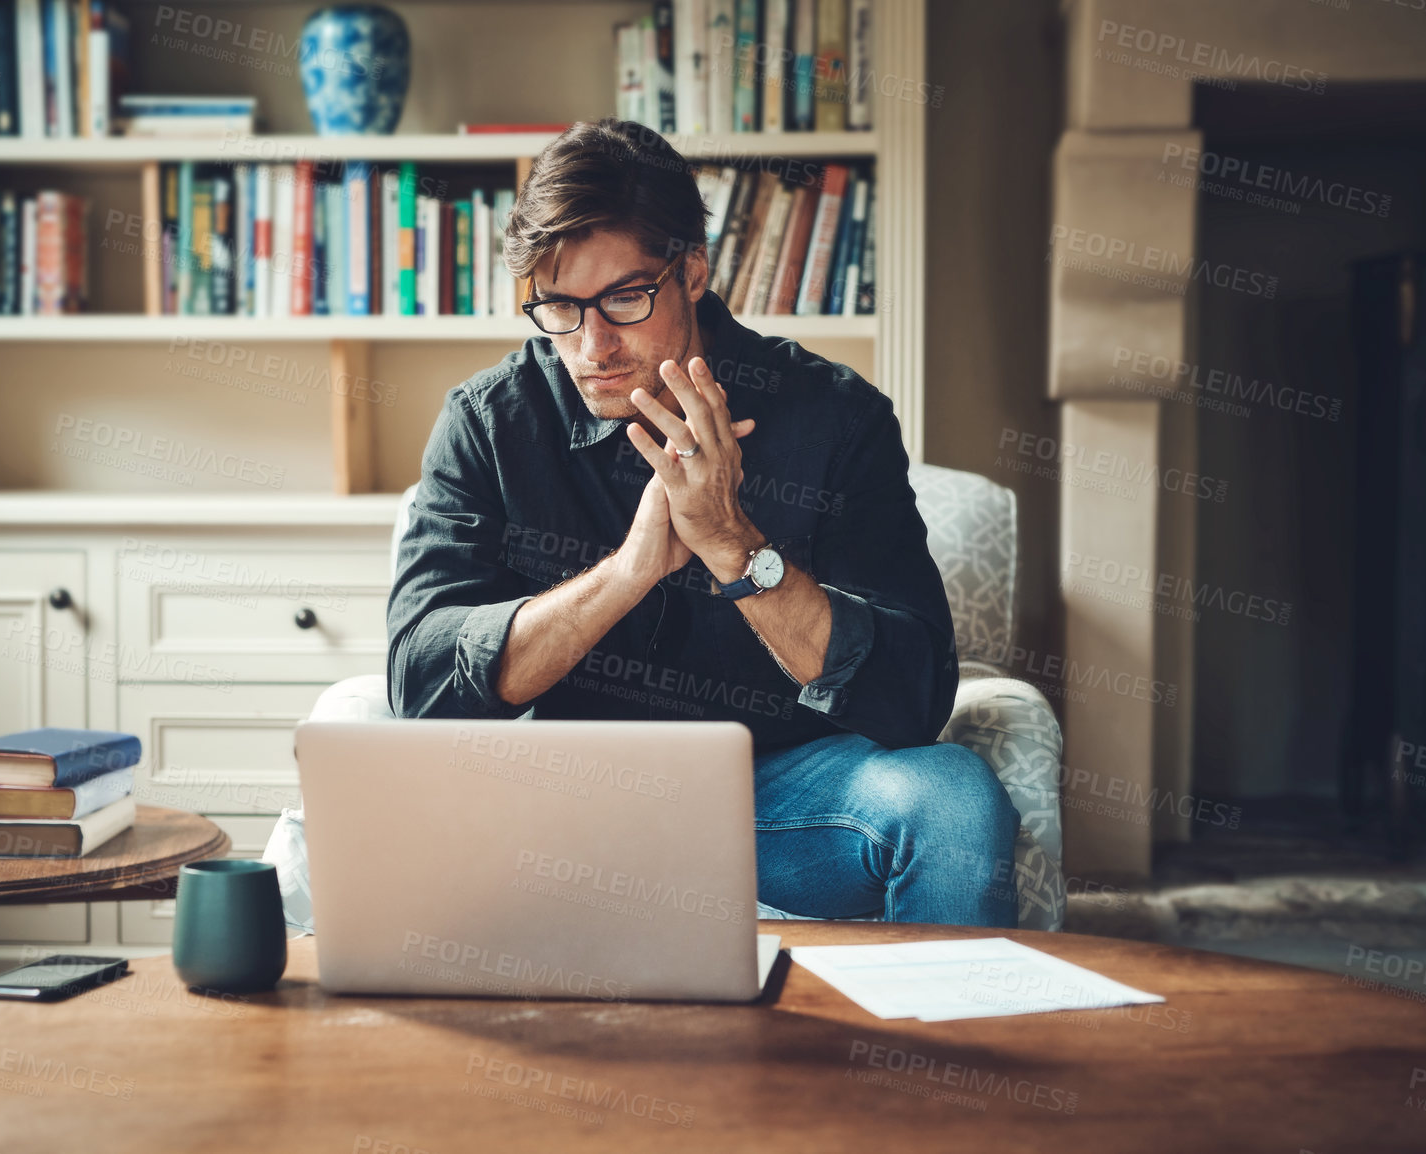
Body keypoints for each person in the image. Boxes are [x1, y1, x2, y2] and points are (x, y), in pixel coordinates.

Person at [387, 120, 1019, 927]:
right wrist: (627, 573)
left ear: (692, 270)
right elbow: (421, 683)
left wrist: (733, 546)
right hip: (559, 800)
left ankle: (932, 1057)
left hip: (780, 795)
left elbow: (912, 698)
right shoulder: (488, 421)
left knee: (954, 805)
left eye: (623, 297)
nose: (591, 344)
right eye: (557, 307)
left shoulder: (837, 417)